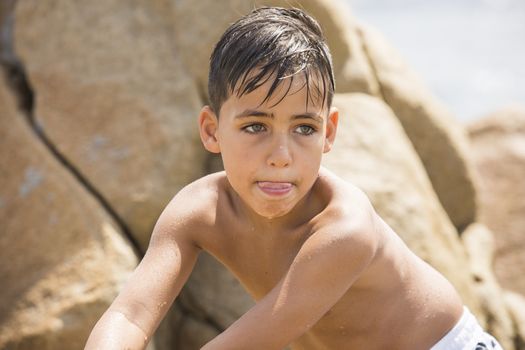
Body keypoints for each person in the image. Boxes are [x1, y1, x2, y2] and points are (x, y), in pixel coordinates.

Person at [85, 6, 503, 350]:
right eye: (255, 127)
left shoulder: (344, 229)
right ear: (212, 131)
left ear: (329, 132)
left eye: (304, 128)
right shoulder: (197, 211)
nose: (281, 157)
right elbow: (129, 315)